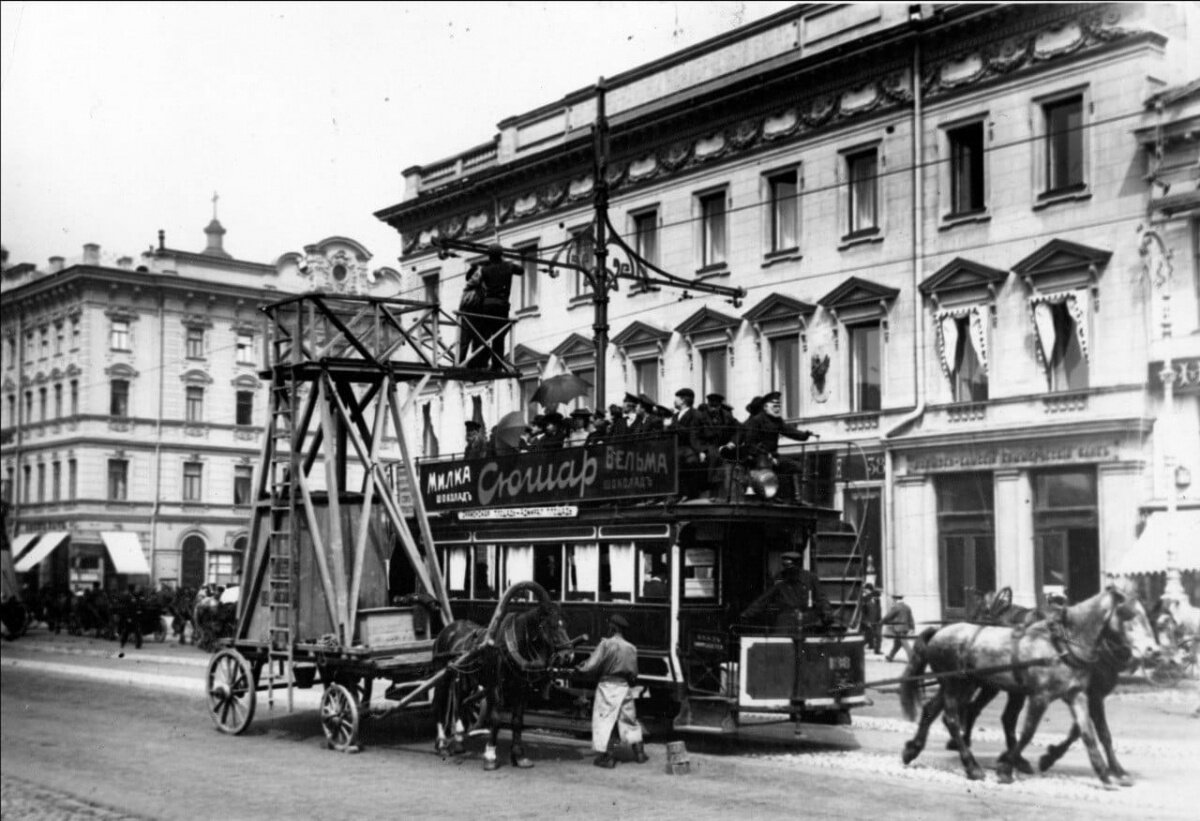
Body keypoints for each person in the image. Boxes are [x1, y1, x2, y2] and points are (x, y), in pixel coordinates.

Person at [575, 614, 647, 768]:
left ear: (613, 627)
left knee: (605, 722)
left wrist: (581, 668)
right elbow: (634, 673)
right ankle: (640, 753)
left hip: (607, 687)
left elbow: (591, 665)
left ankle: (609, 757)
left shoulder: (606, 644)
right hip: (624, 687)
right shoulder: (631, 648)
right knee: (629, 720)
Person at [739, 391, 814, 502]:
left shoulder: (777, 421)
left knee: (795, 466)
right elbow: (750, 444)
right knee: (770, 468)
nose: (777, 409)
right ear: (765, 407)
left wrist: (805, 435)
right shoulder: (756, 421)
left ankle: (794, 498)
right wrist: (765, 455)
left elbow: (790, 431)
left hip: (773, 457)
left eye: (779, 406)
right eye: (774, 406)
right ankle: (772, 496)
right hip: (757, 458)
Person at [457, 245, 523, 370]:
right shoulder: (508, 266)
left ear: (490, 256)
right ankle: (496, 365)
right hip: (502, 306)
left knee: (484, 336)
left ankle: (476, 361)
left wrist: (481, 264)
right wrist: (506, 263)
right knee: (499, 337)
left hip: (487, 305)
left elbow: (471, 280)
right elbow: (521, 270)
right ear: (501, 255)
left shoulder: (484, 270)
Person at [740, 550, 832, 632]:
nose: (787, 569)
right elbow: (764, 599)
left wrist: (826, 612)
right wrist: (747, 614)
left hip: (807, 622)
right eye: (785, 565)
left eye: (790, 565)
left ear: (797, 565)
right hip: (785, 622)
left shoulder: (810, 578)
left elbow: (821, 598)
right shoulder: (780, 579)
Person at [671, 388, 707, 498]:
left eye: (676, 399)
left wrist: (701, 451)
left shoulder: (696, 415)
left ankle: (686, 494)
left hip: (688, 449)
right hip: (675, 448)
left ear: (683, 400)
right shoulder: (675, 416)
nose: (674, 401)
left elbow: (693, 434)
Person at [881, 593, 915, 662]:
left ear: (895, 599)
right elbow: (911, 618)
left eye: (893, 599)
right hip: (905, 628)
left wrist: (881, 622)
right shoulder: (907, 607)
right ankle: (890, 656)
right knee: (897, 644)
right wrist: (912, 628)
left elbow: (888, 616)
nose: (893, 601)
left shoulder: (896, 607)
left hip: (898, 629)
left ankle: (913, 658)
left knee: (905, 644)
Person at [860, 584, 882, 654]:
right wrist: (866, 622)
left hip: (877, 622)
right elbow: (863, 613)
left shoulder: (878, 601)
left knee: (878, 636)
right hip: (868, 622)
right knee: (868, 637)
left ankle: (877, 650)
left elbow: (879, 611)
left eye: (878, 597)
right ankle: (859, 648)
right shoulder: (866, 601)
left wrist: (880, 620)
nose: (877, 598)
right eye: (876, 597)